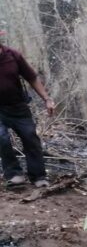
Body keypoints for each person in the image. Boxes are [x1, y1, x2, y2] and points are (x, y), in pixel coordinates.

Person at [0, 31, 54, 188]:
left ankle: (38, 176)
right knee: (1, 138)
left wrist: (47, 99)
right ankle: (14, 174)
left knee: (30, 138)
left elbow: (32, 77)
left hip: (18, 107)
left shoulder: (13, 55)